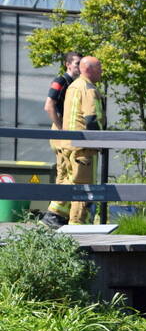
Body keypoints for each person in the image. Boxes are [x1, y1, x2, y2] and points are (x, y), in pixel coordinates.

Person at [42, 56, 103, 228]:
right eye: (99, 68)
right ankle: (78, 223)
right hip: (84, 146)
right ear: (89, 69)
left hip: (68, 143)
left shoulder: (73, 86)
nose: (102, 72)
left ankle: (54, 213)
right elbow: (92, 118)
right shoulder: (88, 89)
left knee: (69, 179)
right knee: (84, 185)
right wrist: (99, 141)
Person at [41, 51, 82, 228]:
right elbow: (49, 105)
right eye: (77, 63)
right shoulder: (61, 81)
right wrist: (60, 128)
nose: (80, 67)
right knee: (65, 173)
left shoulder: (76, 84)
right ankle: (53, 215)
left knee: (67, 172)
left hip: (68, 132)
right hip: (62, 132)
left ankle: (61, 214)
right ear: (68, 64)